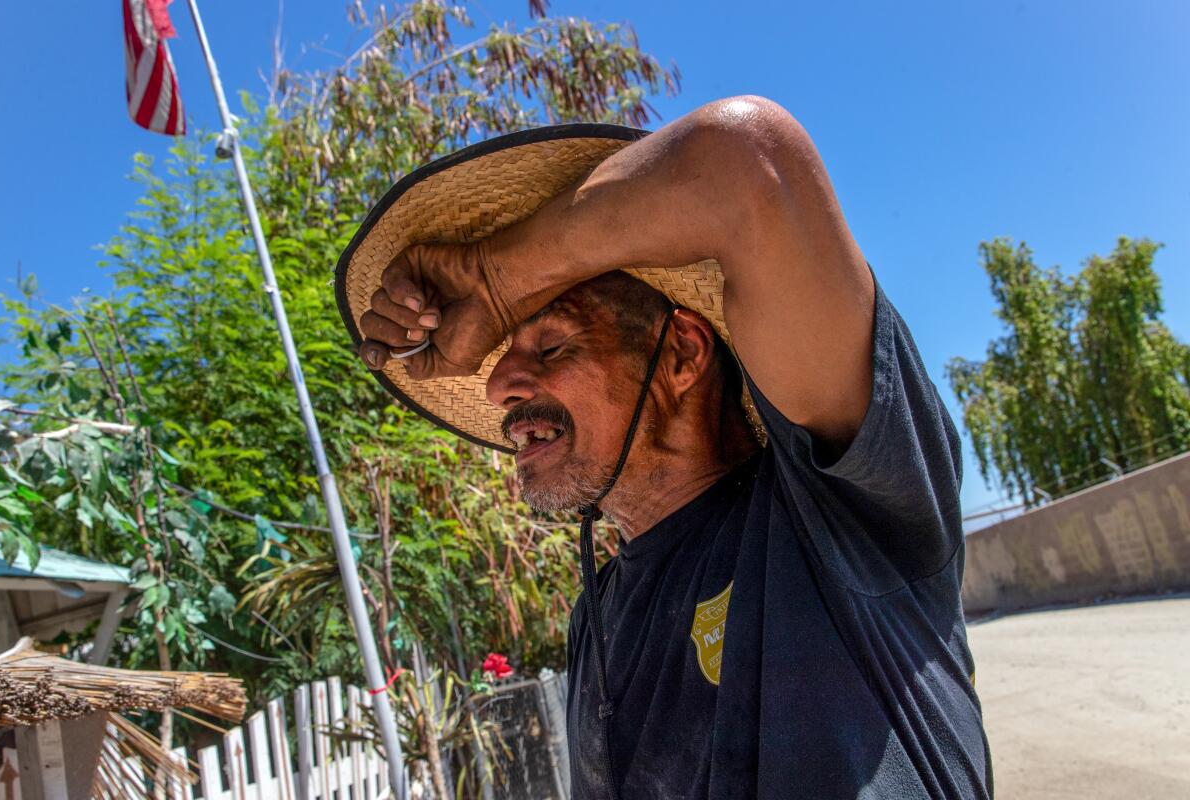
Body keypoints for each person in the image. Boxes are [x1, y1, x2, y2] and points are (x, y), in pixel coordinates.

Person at [336, 96, 993, 798]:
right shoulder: (598, 610)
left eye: (553, 343)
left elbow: (749, 165)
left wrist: (497, 279)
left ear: (681, 352)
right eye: (504, 357)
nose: (499, 388)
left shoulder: (839, 507)